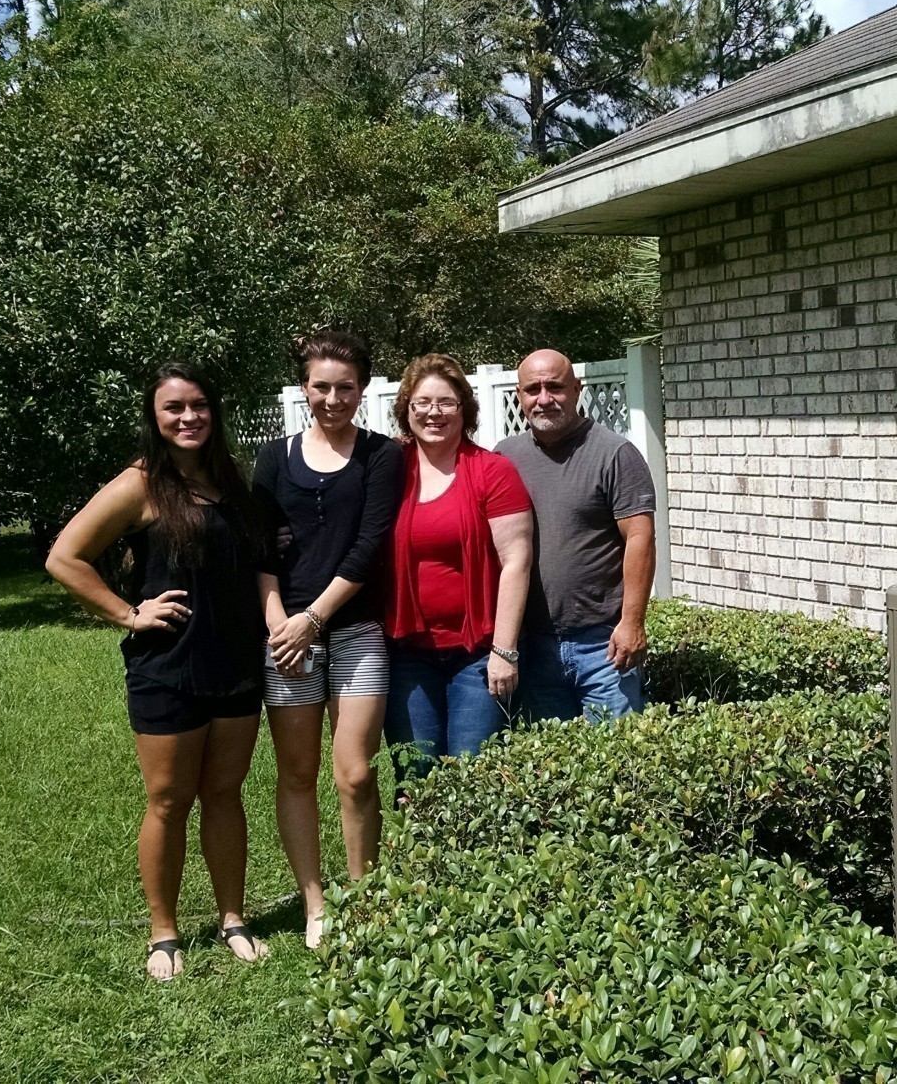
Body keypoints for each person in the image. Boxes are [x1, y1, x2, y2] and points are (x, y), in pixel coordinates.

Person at [45, 362, 269, 981]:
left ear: (214, 413)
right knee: (168, 801)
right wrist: (127, 613)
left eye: (198, 405)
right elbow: (64, 557)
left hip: (236, 665)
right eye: (173, 408)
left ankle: (233, 918)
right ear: (156, 418)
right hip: (166, 667)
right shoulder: (140, 484)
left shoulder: (233, 484)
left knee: (224, 794)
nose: (188, 417)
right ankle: (163, 933)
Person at [252, 330, 402, 949]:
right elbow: (260, 547)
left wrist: (312, 618)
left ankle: (362, 895)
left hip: (355, 629)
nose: (333, 398)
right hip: (285, 635)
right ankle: (316, 903)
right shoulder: (272, 456)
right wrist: (277, 623)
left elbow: (370, 546)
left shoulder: (382, 455)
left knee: (357, 773)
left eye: (346, 387)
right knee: (296, 773)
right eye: (322, 387)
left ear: (362, 390)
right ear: (305, 388)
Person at [382, 353, 533, 784]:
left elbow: (516, 561)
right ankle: (417, 855)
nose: (433, 412)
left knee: (474, 777)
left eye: (446, 402)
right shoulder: (388, 468)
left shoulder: (493, 472)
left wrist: (504, 652)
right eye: (422, 402)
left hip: (478, 655)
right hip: (406, 653)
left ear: (464, 409)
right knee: (416, 774)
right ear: (406, 409)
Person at [494, 349, 657, 723]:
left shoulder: (615, 453)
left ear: (577, 389)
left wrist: (632, 622)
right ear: (520, 395)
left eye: (555, 387)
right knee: (552, 768)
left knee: (620, 761)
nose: (544, 398)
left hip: (602, 645)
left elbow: (640, 539)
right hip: (532, 644)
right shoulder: (505, 457)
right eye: (533, 389)